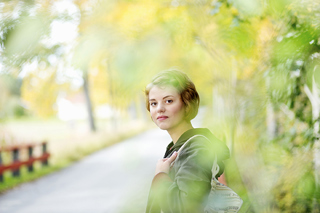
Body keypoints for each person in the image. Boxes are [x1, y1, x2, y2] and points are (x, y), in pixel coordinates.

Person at [145, 70, 230, 213]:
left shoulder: (196, 149)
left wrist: (161, 176)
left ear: (187, 103)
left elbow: (185, 208)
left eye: (168, 101)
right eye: (153, 103)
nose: (159, 109)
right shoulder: (178, 146)